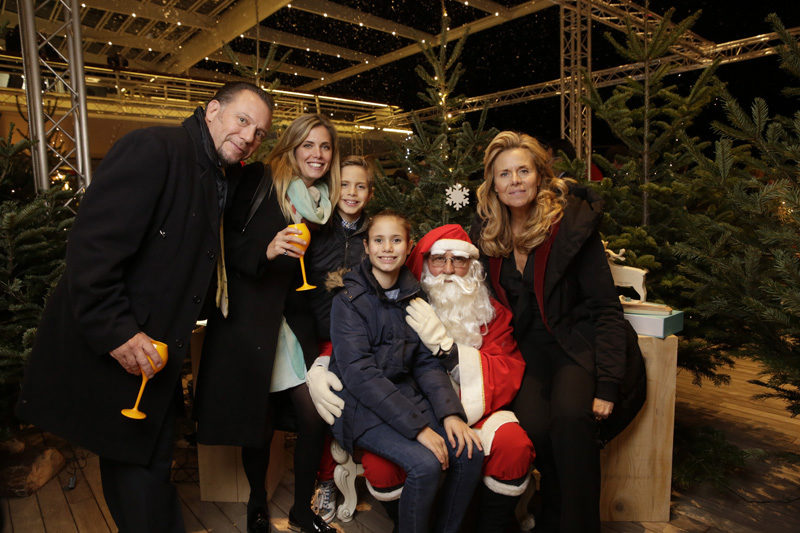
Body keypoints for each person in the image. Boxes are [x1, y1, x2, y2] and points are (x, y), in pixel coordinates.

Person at [16, 82, 272, 532]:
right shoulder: (156, 148)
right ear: (213, 110)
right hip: (124, 346)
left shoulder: (214, 172)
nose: (250, 136)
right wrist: (116, 332)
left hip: (154, 355)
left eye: (259, 133)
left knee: (146, 466)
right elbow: (92, 250)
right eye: (243, 120)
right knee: (139, 470)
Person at [471, 131, 637, 533]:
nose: (514, 181)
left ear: (540, 176)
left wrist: (608, 384)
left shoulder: (570, 227)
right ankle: (550, 518)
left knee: (570, 422)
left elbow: (606, 308)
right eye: (504, 174)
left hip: (574, 346)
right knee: (534, 429)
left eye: (523, 171)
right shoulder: (489, 231)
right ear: (493, 184)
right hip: (525, 352)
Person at [193, 114, 339, 533]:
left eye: (325, 146)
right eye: (308, 145)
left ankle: (301, 511)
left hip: (295, 322)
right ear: (291, 147)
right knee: (257, 422)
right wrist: (266, 249)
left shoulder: (323, 205)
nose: (317, 154)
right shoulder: (259, 179)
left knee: (313, 415)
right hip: (252, 320)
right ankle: (256, 504)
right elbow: (224, 242)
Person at [328, 210, 485, 533]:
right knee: (425, 465)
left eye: (396, 240)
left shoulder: (414, 295)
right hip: (361, 407)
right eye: (379, 240)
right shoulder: (348, 301)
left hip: (404, 397)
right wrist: (419, 429)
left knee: (469, 453)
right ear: (367, 247)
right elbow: (361, 375)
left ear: (409, 246)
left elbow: (426, 362)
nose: (387, 248)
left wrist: (450, 414)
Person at [304, 154, 374, 523]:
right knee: (320, 410)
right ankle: (325, 479)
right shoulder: (315, 228)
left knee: (348, 403)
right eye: (344, 184)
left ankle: (364, 469)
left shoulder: (374, 235)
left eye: (360, 186)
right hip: (315, 333)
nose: (351, 192)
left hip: (356, 337)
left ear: (370, 192)